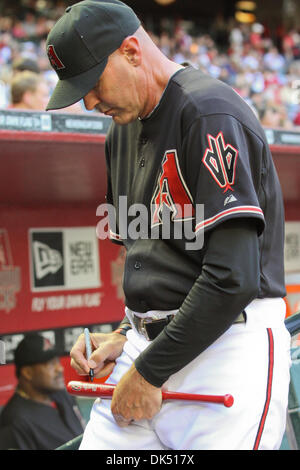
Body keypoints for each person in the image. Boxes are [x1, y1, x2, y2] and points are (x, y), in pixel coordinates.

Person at [45, 0, 291, 450]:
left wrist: (148, 371)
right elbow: (155, 259)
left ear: (132, 51)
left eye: (92, 82)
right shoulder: (119, 130)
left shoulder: (209, 111)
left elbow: (232, 277)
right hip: (149, 348)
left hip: (226, 344)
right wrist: (126, 333)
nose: (90, 101)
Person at [0, 333, 85, 450]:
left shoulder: (61, 393)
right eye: (50, 364)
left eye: (57, 361)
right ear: (27, 373)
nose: (59, 368)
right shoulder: (15, 421)